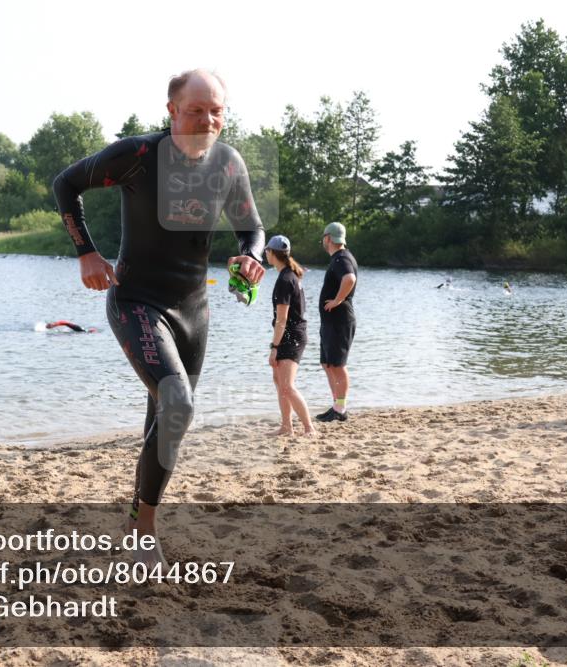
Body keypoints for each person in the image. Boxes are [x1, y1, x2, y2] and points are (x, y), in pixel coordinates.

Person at [52, 69, 266, 567]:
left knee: (168, 416)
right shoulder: (137, 156)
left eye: (217, 110)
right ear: (172, 110)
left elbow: (251, 228)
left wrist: (249, 257)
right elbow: (66, 184)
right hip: (136, 302)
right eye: (196, 109)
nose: (207, 119)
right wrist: (86, 252)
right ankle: (144, 529)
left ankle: (135, 519)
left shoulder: (229, 164)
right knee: (177, 402)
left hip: (194, 311)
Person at [265, 235, 315, 438]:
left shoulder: (285, 279)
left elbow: (282, 319)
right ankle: (286, 427)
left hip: (291, 336)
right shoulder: (289, 275)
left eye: (266, 250)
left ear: (271, 253)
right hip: (291, 334)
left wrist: (274, 347)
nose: (265, 254)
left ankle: (309, 428)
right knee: (279, 382)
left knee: (287, 385)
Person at [316, 222, 358, 423]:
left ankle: (340, 408)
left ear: (328, 238)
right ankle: (335, 405)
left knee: (338, 365)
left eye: (323, 238)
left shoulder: (342, 258)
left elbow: (349, 278)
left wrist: (337, 300)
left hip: (340, 321)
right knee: (327, 364)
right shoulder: (338, 258)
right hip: (331, 322)